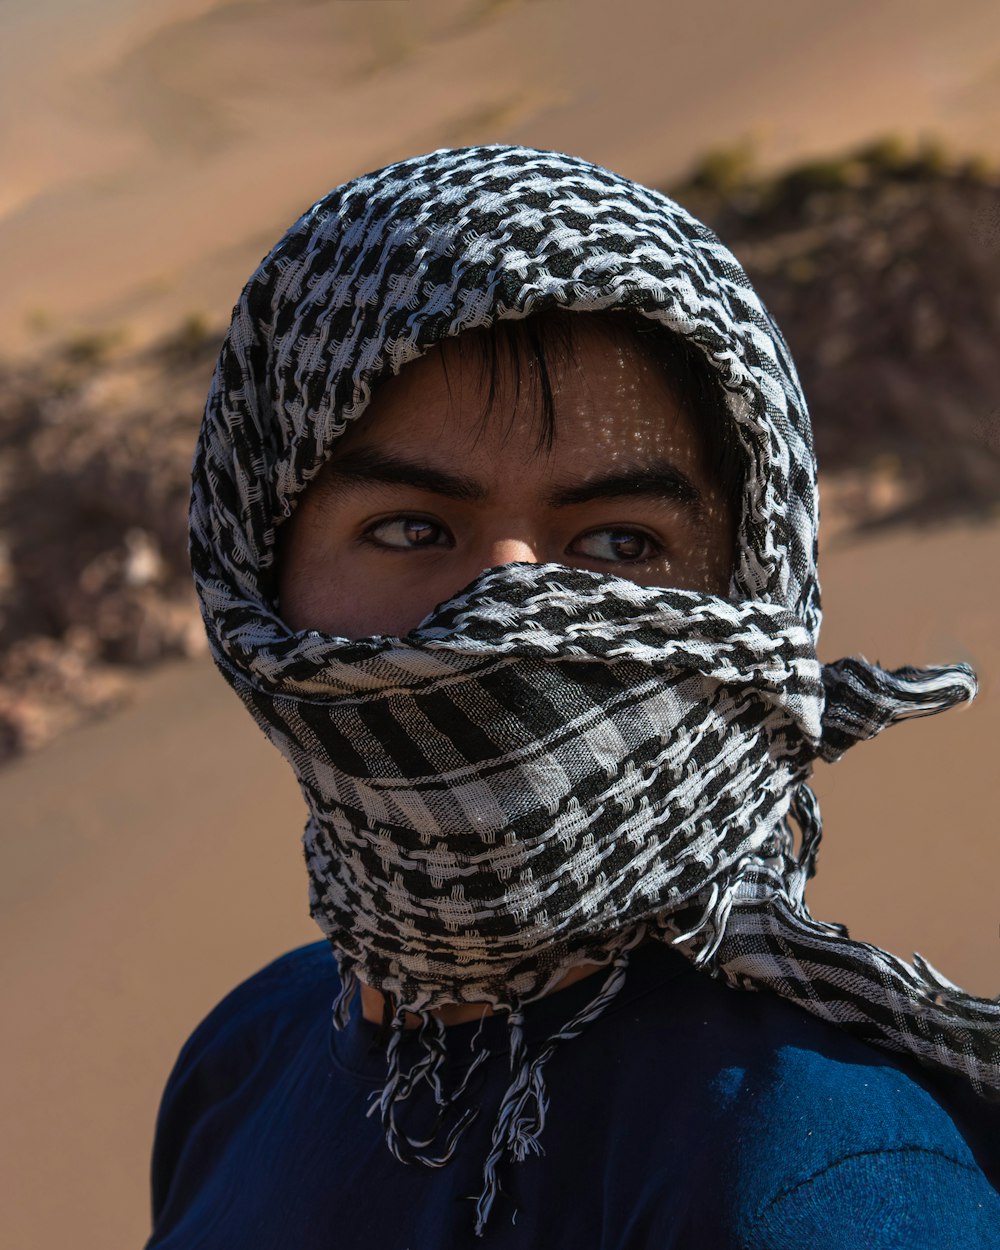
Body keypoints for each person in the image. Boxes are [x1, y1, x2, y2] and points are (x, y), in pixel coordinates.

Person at [146, 146, 1000, 1248]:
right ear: (255, 577)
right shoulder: (242, 1060)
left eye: (615, 542)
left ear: (753, 595)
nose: (507, 616)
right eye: (412, 528)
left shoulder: (814, 1176)